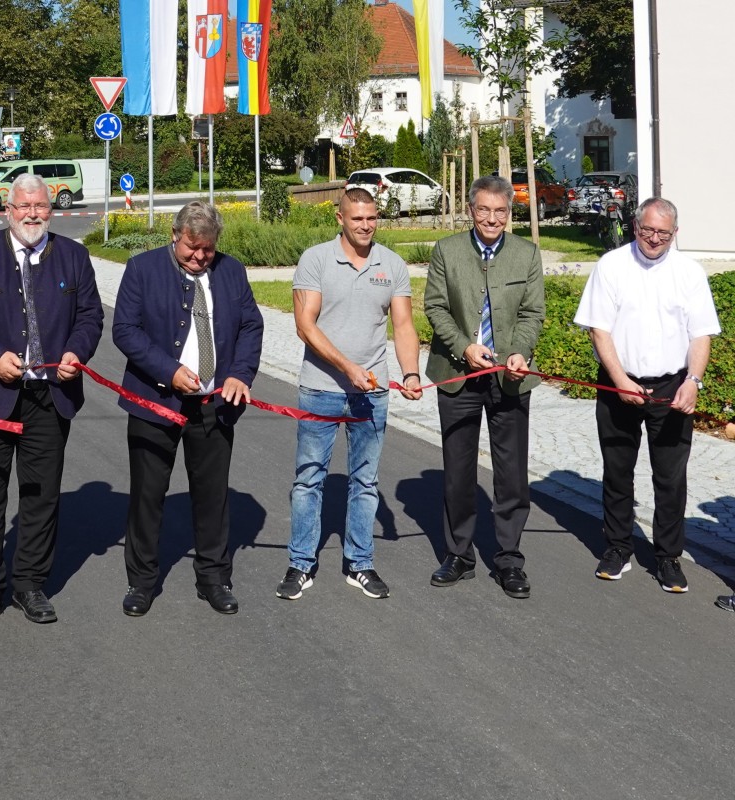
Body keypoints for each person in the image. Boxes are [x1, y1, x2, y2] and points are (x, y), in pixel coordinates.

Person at [0, 173, 103, 631]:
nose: (32, 214)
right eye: (23, 207)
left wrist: (77, 351)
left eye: (41, 207)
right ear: (7, 211)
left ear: (51, 211)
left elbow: (90, 315)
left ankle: (30, 583)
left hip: (49, 397)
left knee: (40, 495)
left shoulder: (73, 256)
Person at [112, 201, 264, 616]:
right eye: (191, 248)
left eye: (208, 250)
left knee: (212, 496)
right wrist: (169, 370)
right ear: (174, 236)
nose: (199, 257)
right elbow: (124, 330)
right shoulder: (142, 269)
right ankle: (141, 582)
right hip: (155, 402)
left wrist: (240, 374)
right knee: (148, 494)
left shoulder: (231, 271)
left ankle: (214, 577)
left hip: (215, 404)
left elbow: (251, 324)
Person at [276, 188, 423, 602]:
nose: (365, 225)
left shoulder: (391, 264)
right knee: (309, 480)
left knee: (366, 481)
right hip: (321, 389)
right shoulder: (317, 260)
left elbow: (404, 326)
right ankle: (300, 564)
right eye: (357, 218)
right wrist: (347, 368)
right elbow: (305, 326)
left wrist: (410, 372)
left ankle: (360, 564)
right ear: (339, 218)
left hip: (371, 393)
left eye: (372, 218)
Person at [573, 197, 720, 593]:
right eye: (647, 230)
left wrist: (694, 381)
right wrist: (619, 379)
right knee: (617, 471)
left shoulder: (689, 272)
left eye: (663, 233)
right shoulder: (611, 265)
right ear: (634, 226)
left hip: (672, 385)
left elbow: (701, 333)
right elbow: (598, 330)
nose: (654, 239)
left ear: (675, 233)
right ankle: (618, 548)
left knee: (670, 478)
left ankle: (668, 557)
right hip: (618, 381)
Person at [423, 175, 545, 599]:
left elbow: (533, 313)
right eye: (484, 210)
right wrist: (463, 347)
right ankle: (459, 554)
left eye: (501, 211)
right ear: (471, 210)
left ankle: (509, 558)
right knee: (458, 471)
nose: (492, 218)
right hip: (458, 373)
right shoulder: (447, 251)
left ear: (510, 214)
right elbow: (435, 306)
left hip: (510, 377)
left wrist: (520, 351)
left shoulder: (527, 254)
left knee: (511, 473)